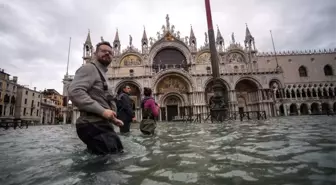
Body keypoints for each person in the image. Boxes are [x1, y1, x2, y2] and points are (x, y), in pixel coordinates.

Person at [68, 41, 124, 155]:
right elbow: (75, 92)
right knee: (109, 163)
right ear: (94, 54)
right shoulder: (89, 68)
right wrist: (102, 111)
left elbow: (102, 99)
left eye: (110, 52)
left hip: (100, 124)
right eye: (103, 51)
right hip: (93, 124)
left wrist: (113, 119)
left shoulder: (102, 73)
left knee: (113, 156)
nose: (107, 53)